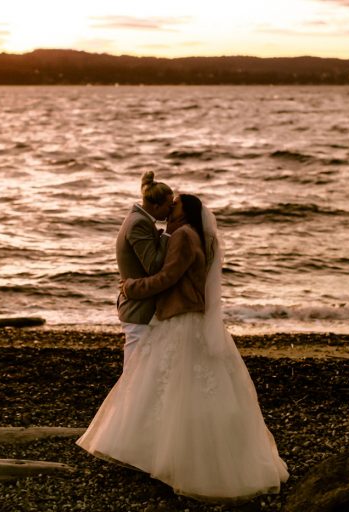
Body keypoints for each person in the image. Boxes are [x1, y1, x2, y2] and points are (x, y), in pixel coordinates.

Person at [77, 194, 288, 503]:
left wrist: (131, 286)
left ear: (184, 213)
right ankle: (179, 453)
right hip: (191, 318)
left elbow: (168, 277)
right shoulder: (195, 237)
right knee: (182, 388)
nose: (169, 209)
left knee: (166, 387)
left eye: (174, 205)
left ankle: (170, 457)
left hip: (181, 318)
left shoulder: (184, 236)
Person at [115, 171, 174, 366]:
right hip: (138, 308)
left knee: (140, 371)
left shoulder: (139, 219)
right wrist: (168, 235)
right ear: (156, 205)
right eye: (168, 204)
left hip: (138, 305)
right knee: (134, 372)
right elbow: (153, 266)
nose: (171, 209)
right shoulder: (139, 223)